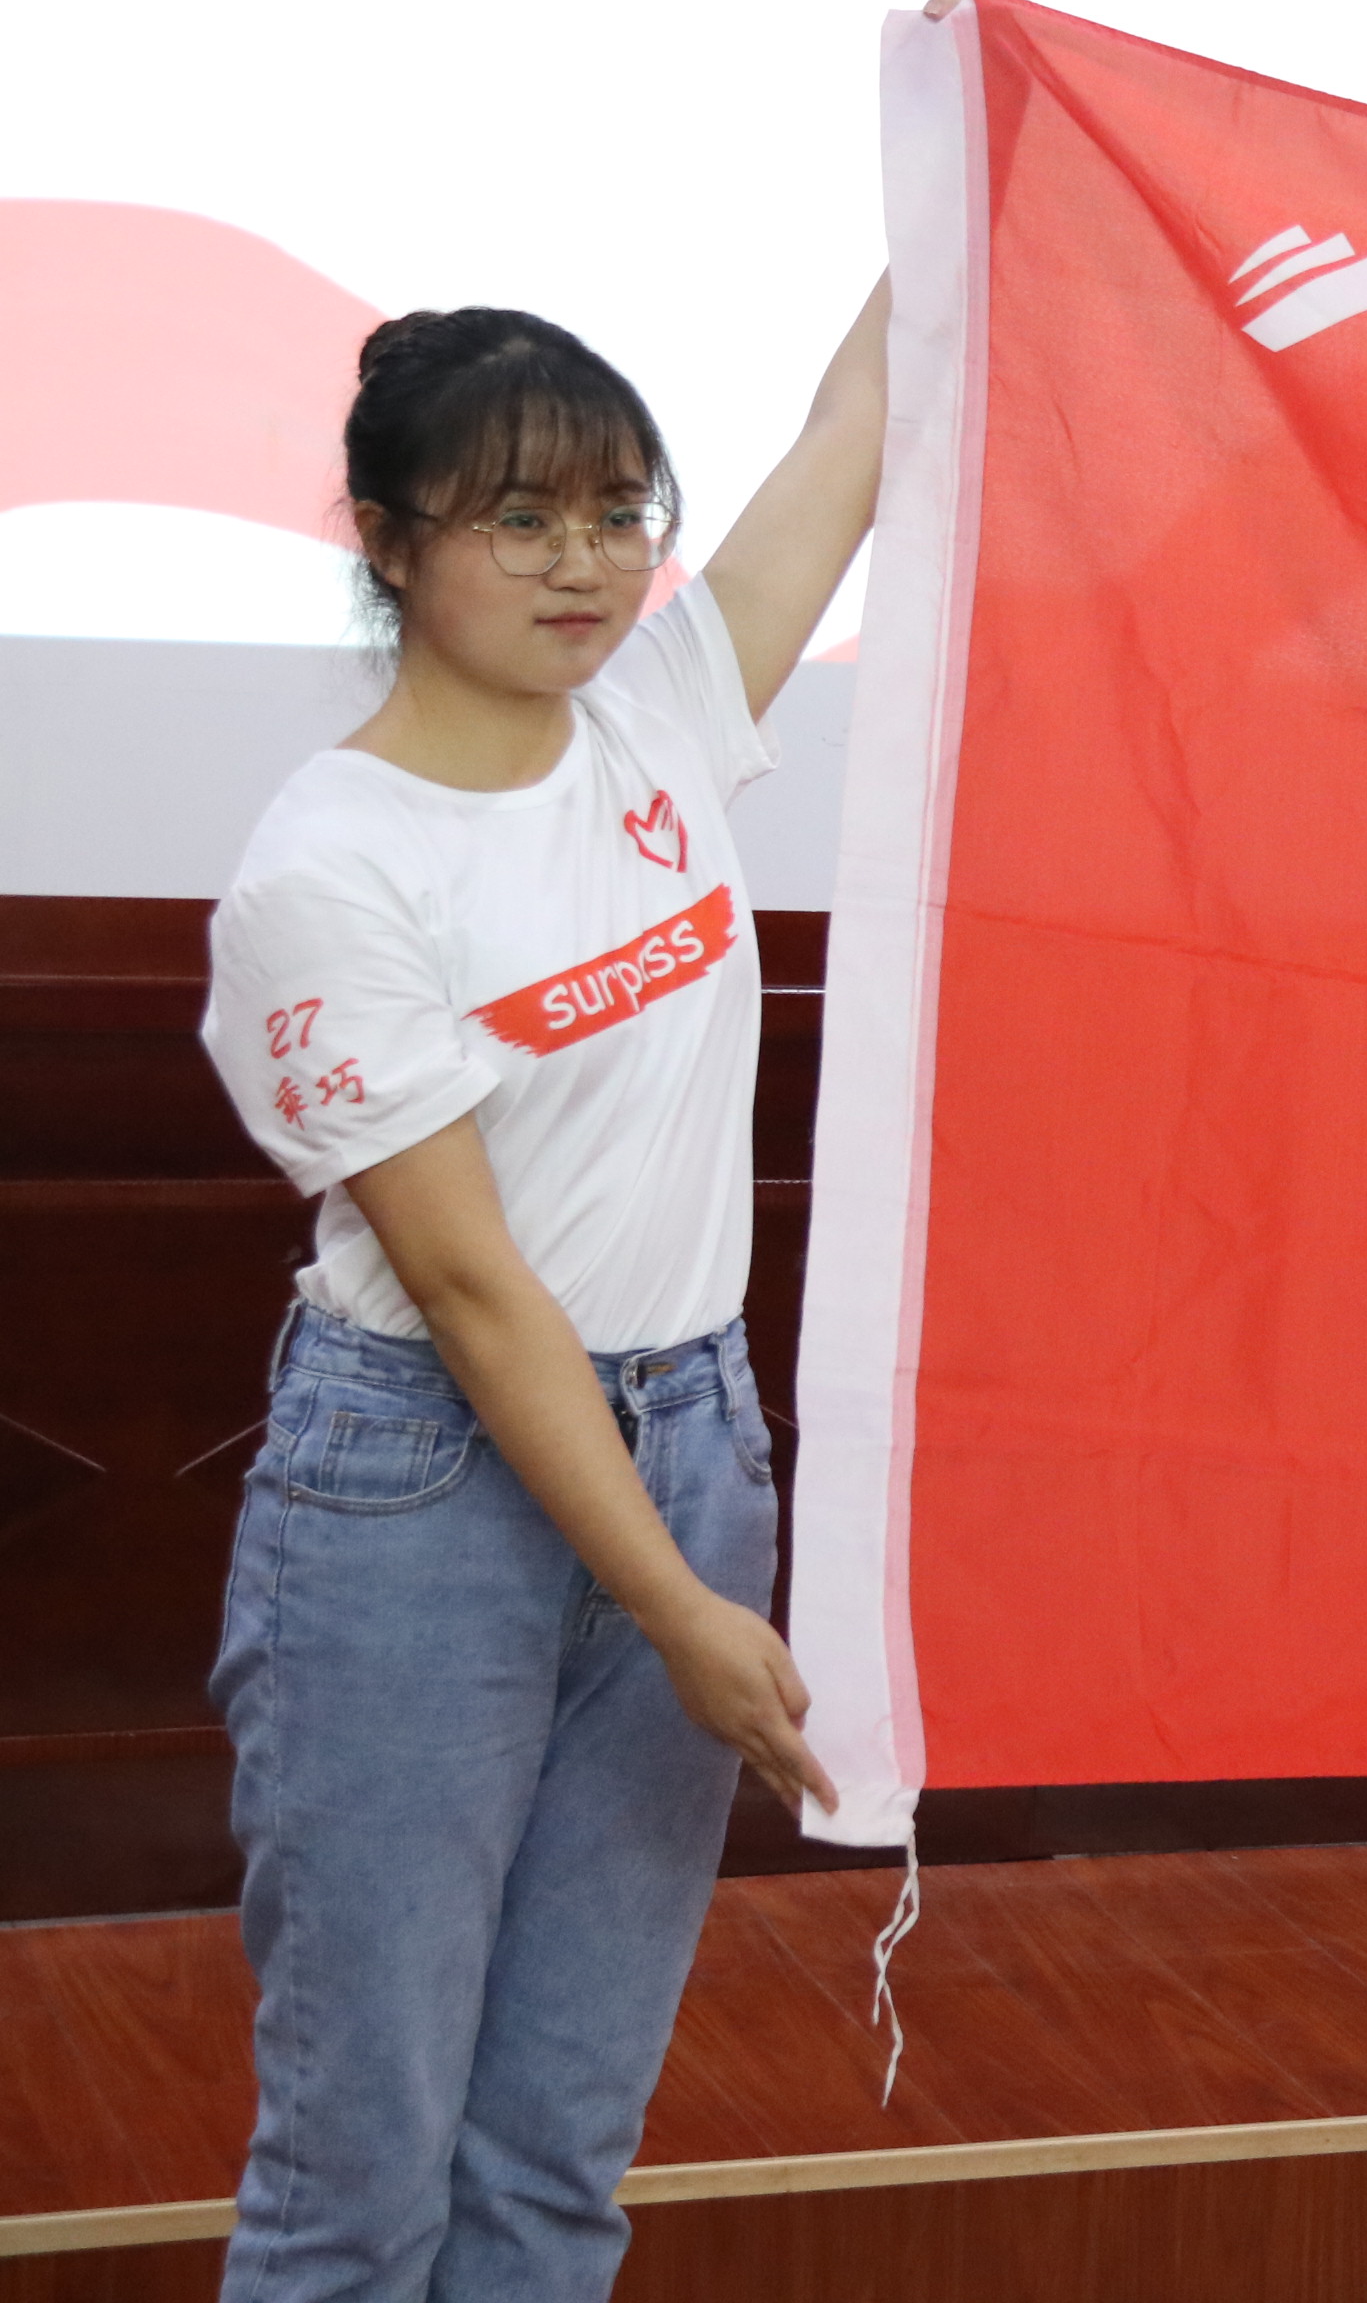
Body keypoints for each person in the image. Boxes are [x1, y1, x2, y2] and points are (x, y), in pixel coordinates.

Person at [196, 276, 885, 2300]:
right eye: (517, 518)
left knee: (557, 2164)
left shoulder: (656, 714)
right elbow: (476, 1290)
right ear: (387, 539)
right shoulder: (329, 866)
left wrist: (976, 139)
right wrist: (679, 1607)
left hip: (690, 1442)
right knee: (360, 2181)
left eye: (614, 511)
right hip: (420, 1491)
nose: (582, 562)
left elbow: (853, 435)